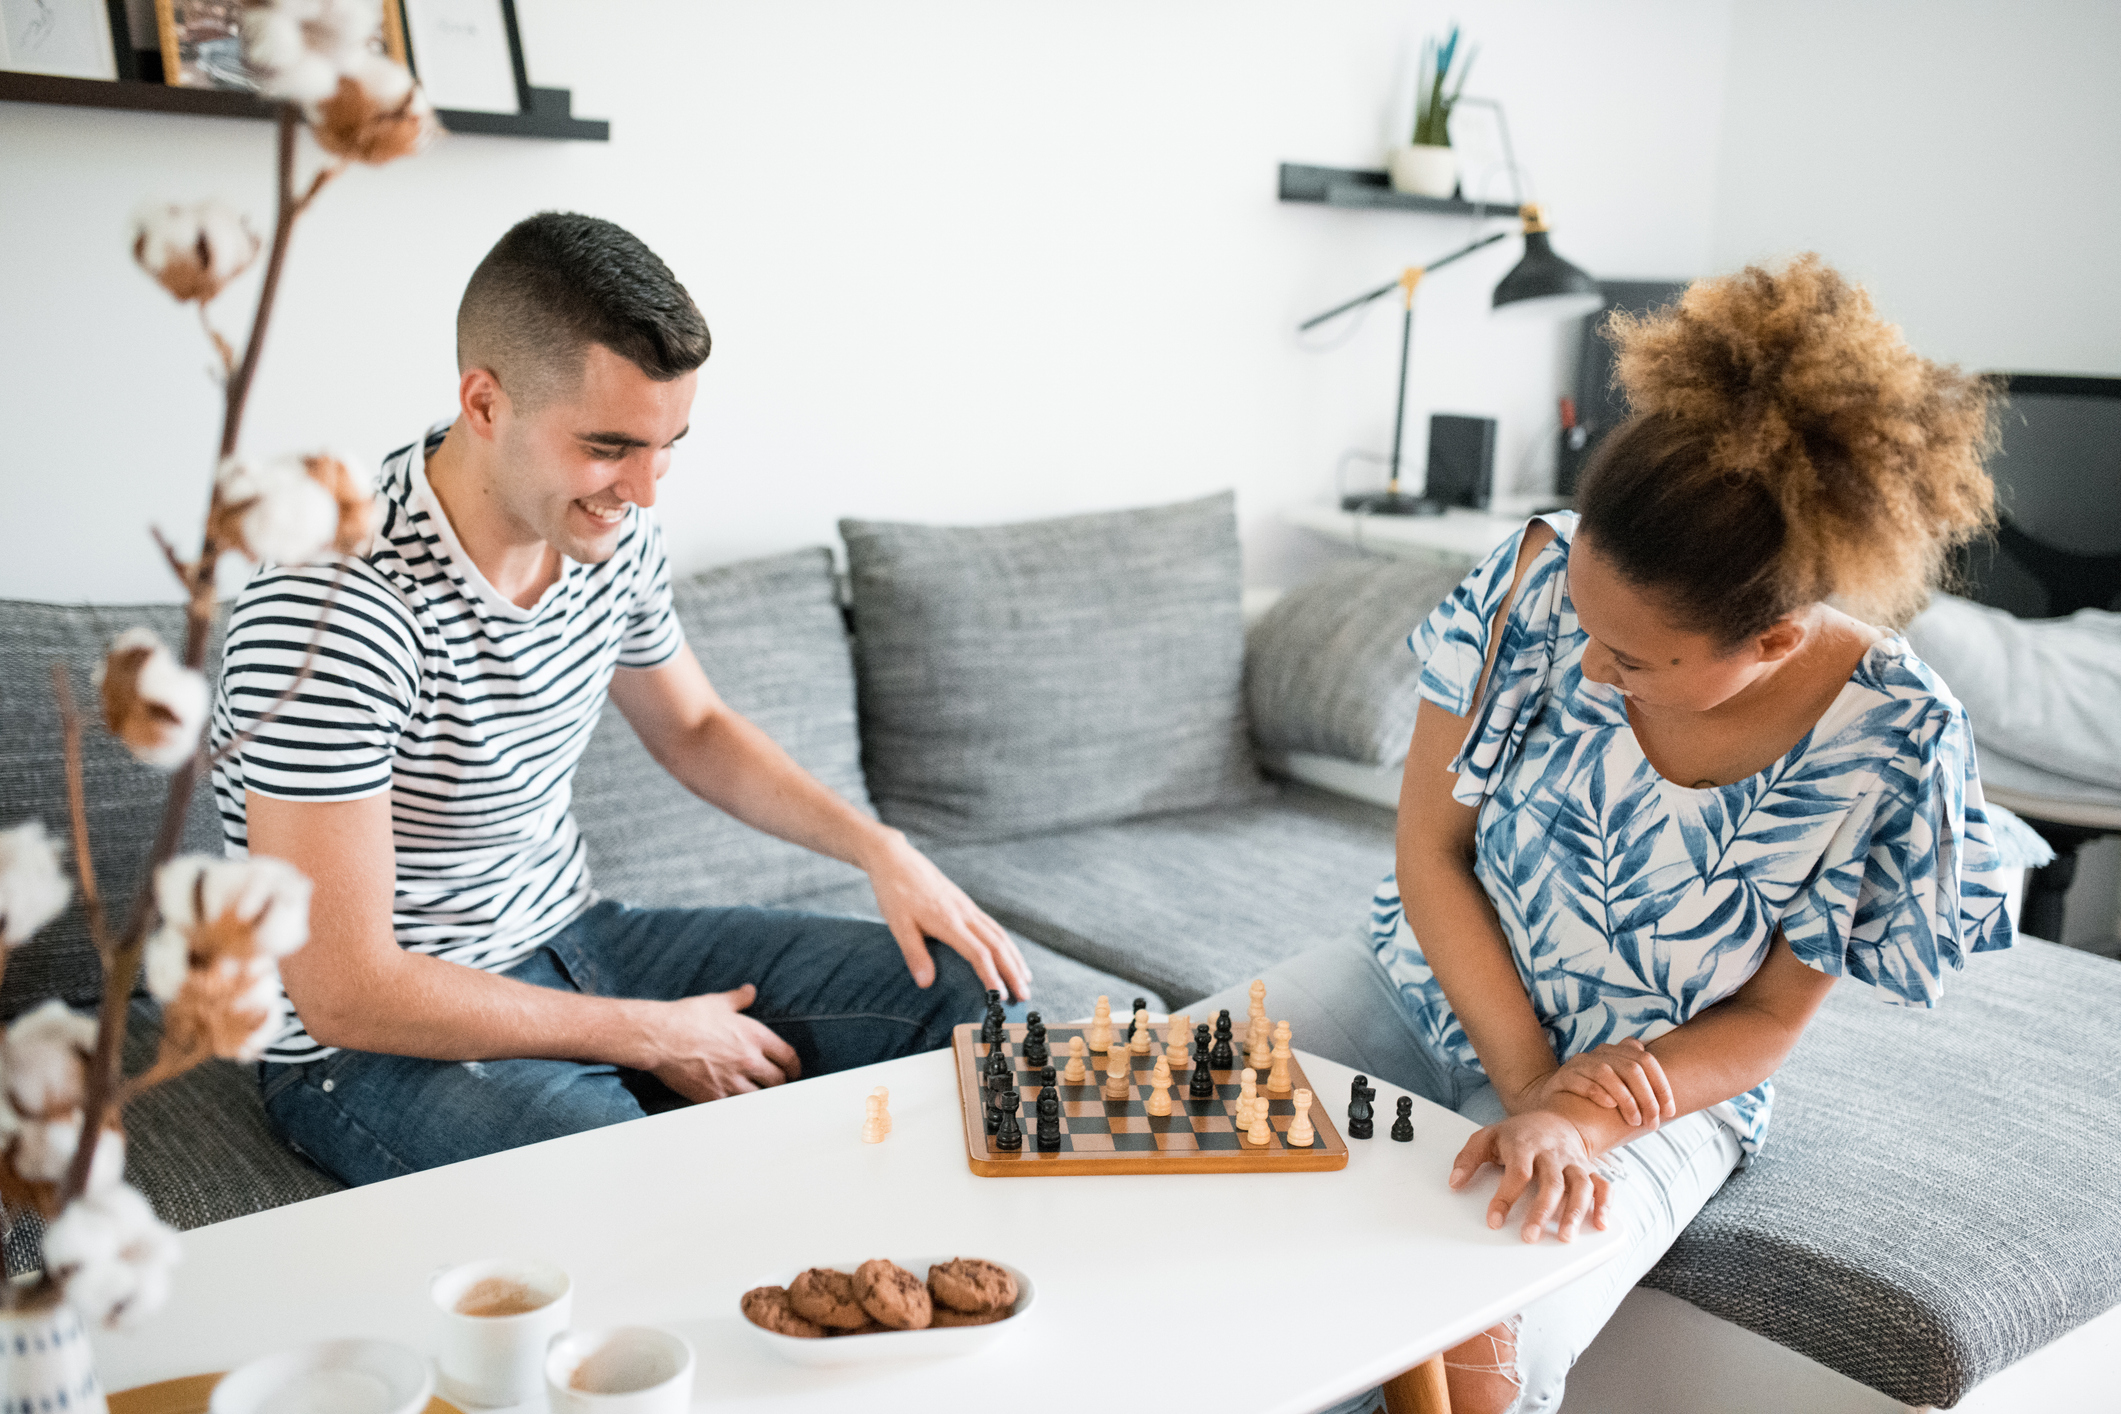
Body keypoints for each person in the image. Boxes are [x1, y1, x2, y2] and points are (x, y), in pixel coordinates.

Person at [1191, 256, 2016, 1414]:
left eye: (1632, 660)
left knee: (1480, 1339)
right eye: (1585, 621)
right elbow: (1430, 854)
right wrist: (1533, 1083)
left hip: (1652, 1089)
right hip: (1417, 986)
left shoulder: (1895, 738)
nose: (1587, 664)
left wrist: (1576, 1117)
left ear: (1774, 642)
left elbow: (1771, 1017)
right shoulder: (1531, 571)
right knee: (1120, 1122)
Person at [210, 212, 1022, 1185]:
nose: (643, 488)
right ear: (483, 402)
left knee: (977, 1001)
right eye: (608, 447)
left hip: (572, 936)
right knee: (648, 1187)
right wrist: (651, 1035)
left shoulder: (606, 531)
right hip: (371, 1048)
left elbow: (694, 725)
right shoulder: (335, 604)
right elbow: (347, 990)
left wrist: (880, 849)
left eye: (667, 444)